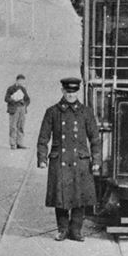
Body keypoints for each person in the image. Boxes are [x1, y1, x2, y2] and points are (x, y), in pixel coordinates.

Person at [37, 77, 101, 242]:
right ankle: (62, 229)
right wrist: (42, 158)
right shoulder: (52, 112)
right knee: (61, 197)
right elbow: (43, 137)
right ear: (62, 91)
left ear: (78, 92)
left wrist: (96, 161)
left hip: (80, 161)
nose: (71, 95)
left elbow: (94, 138)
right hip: (60, 161)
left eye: (74, 92)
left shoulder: (86, 112)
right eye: (68, 92)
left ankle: (76, 230)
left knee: (80, 197)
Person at [4, 74, 31, 150]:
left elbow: (28, 99)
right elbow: (6, 98)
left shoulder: (23, 89)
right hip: (14, 108)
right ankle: (13, 143)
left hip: (22, 109)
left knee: (21, 126)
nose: (22, 83)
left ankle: (20, 143)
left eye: (23, 82)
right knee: (13, 126)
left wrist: (25, 104)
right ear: (17, 80)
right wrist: (13, 99)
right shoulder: (11, 88)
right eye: (21, 81)